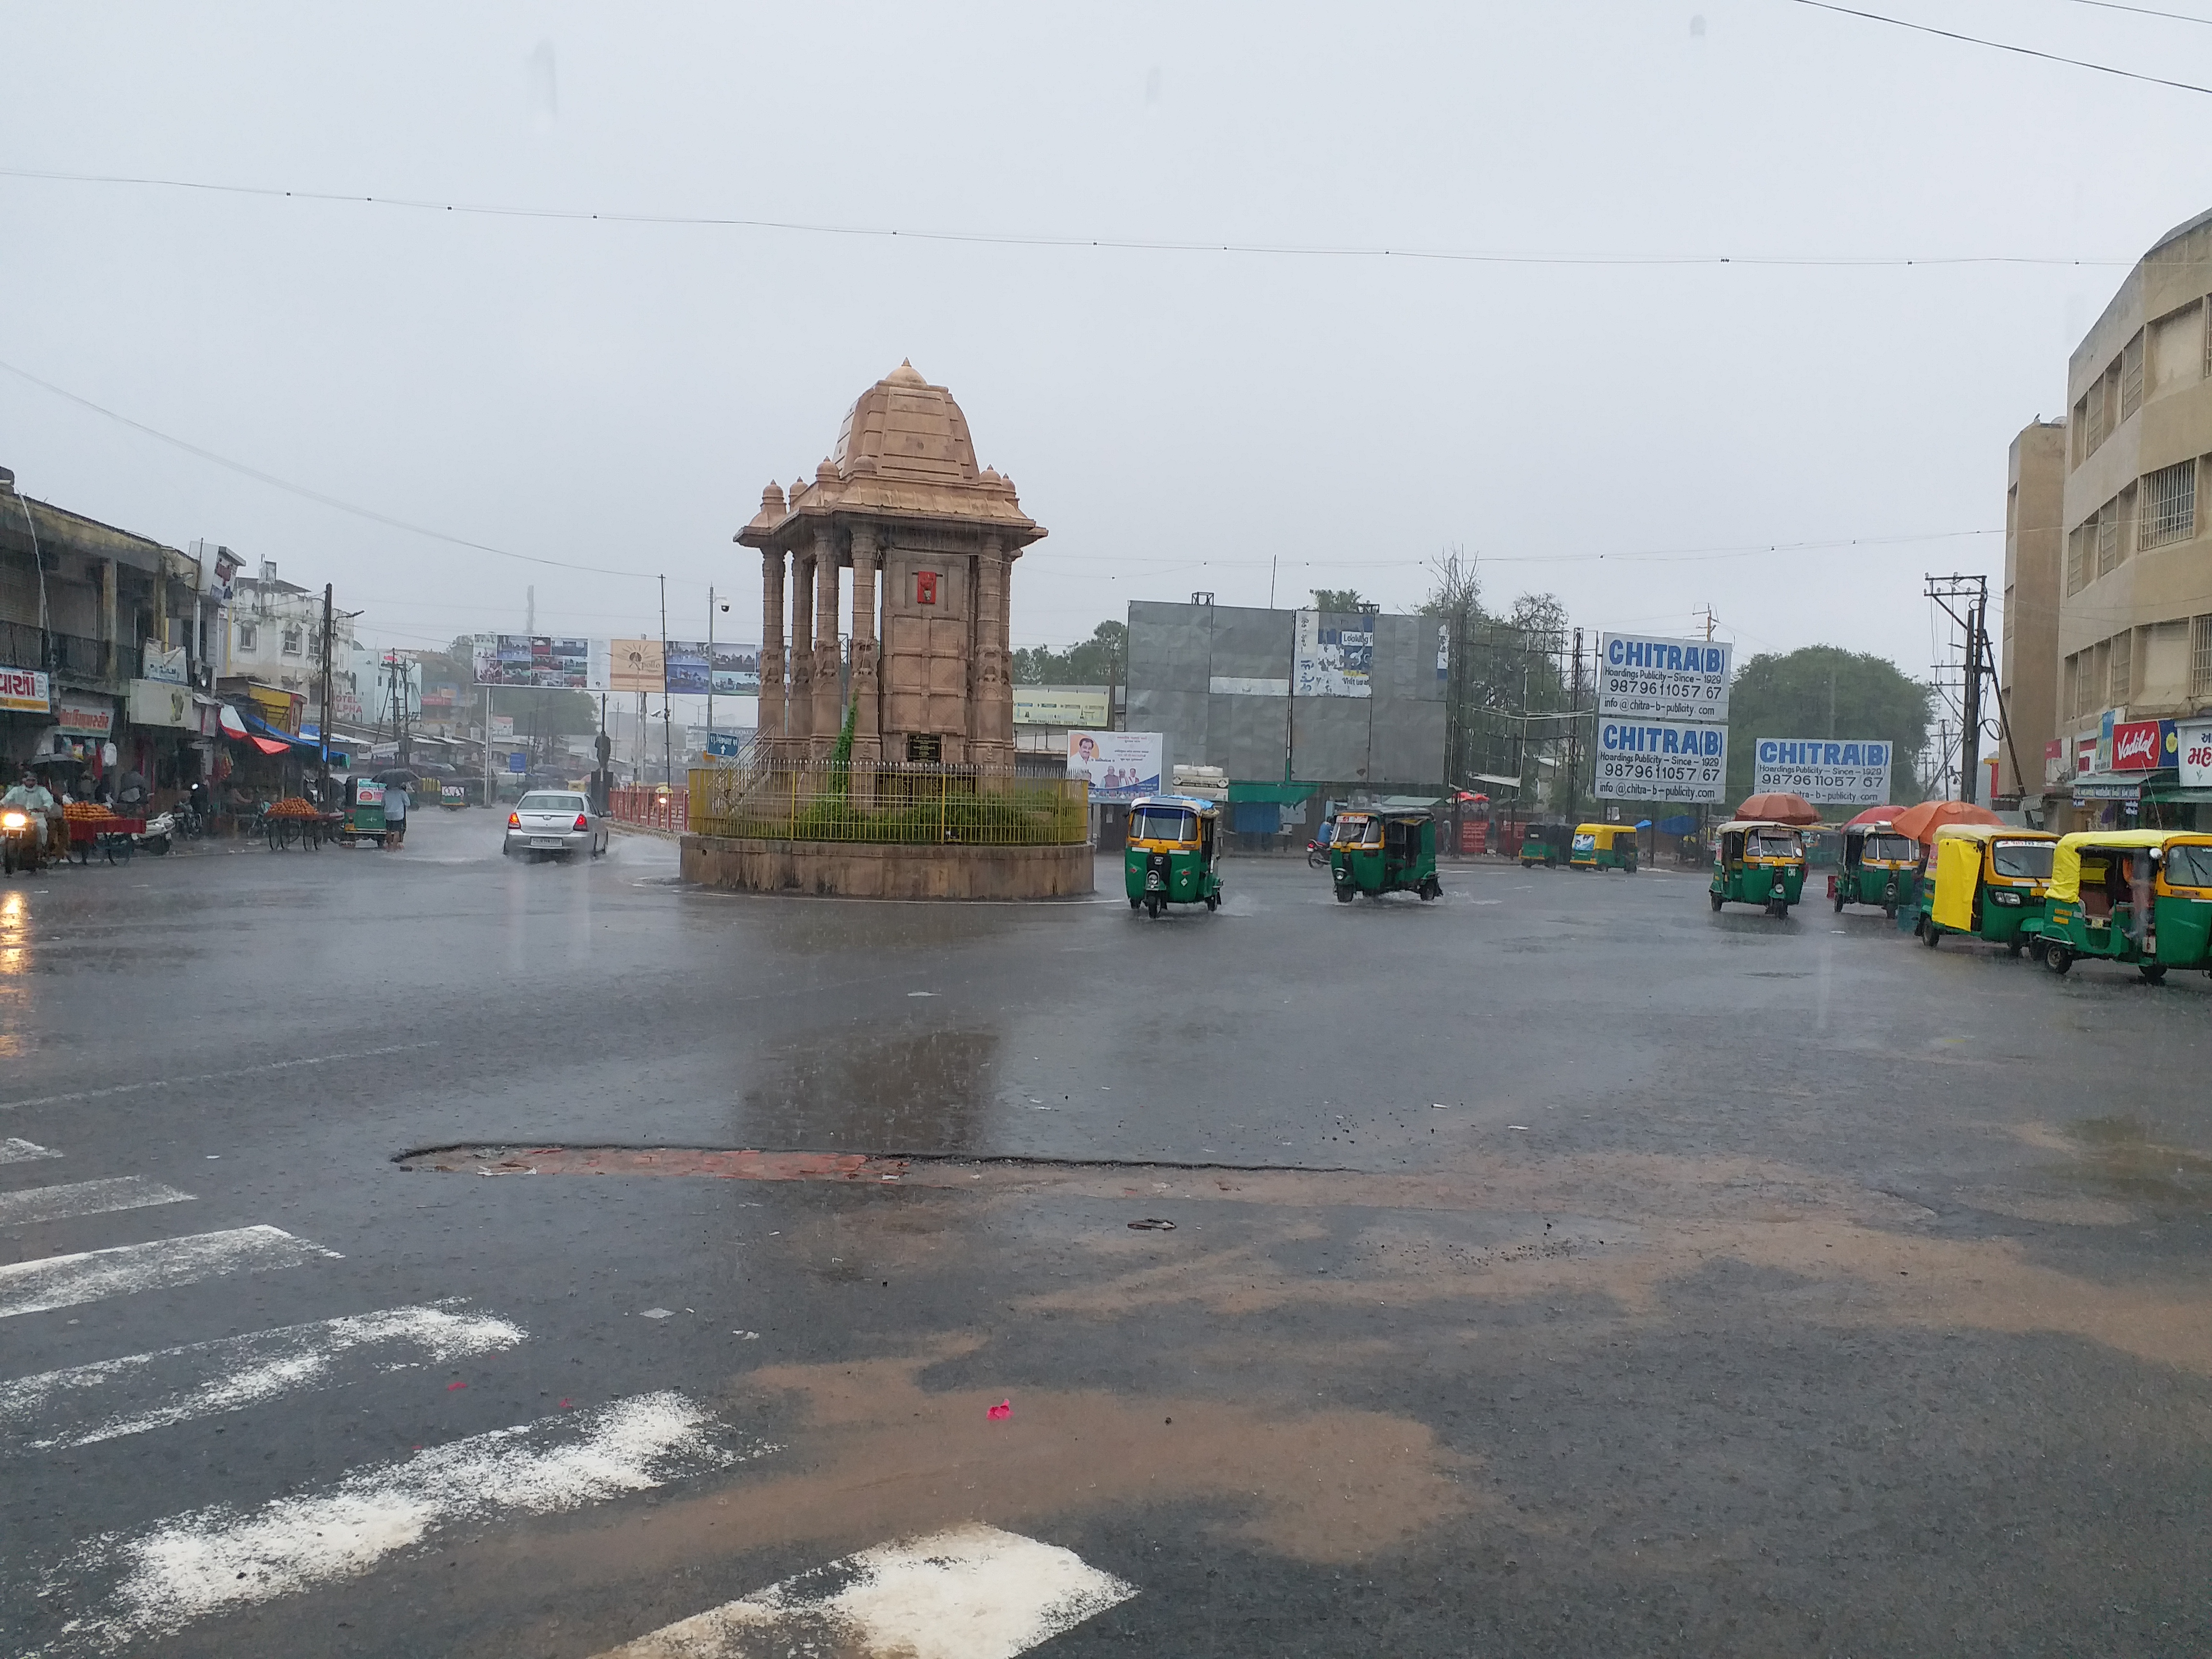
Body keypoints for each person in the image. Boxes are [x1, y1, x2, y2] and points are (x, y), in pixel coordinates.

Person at [2, 768, 60, 854]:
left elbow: (49, 801)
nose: (31, 783)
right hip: (17, 817)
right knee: (2, 833)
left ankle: (42, 850)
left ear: (36, 781)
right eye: (29, 780)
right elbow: (5, 801)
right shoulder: (16, 790)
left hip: (36, 817)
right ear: (24, 781)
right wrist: (2, 805)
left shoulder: (42, 790)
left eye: (33, 780)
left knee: (42, 828)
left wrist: (45, 807)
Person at [384, 780, 409, 845]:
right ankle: (394, 848)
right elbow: (408, 804)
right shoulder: (402, 793)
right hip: (398, 815)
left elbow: (382, 804)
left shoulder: (386, 793)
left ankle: (389, 845)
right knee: (397, 832)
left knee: (389, 830)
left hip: (388, 814)